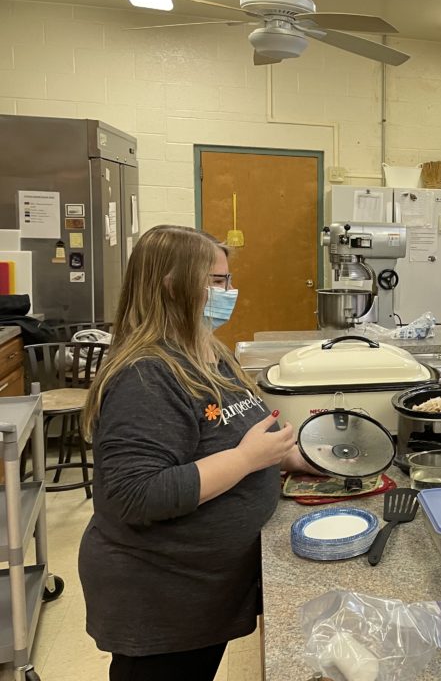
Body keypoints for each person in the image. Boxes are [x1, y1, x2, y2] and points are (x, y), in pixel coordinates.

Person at [78, 226, 316, 680]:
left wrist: (287, 455)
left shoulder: (207, 351)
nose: (230, 291)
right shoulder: (146, 375)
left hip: (203, 589)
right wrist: (247, 459)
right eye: (218, 281)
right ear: (173, 284)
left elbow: (233, 434)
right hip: (162, 596)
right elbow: (134, 494)